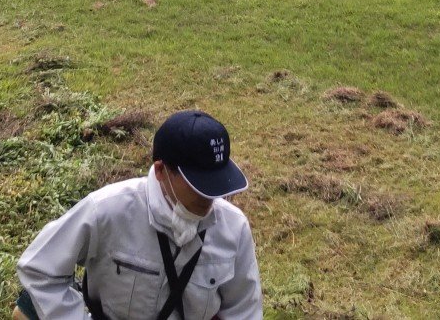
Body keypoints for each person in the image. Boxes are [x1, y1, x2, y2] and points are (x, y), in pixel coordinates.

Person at [15, 109, 260, 320]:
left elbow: (244, 310)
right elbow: (39, 268)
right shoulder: (108, 210)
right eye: (198, 185)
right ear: (161, 170)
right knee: (25, 311)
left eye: (216, 185)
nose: (209, 198)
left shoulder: (234, 228)